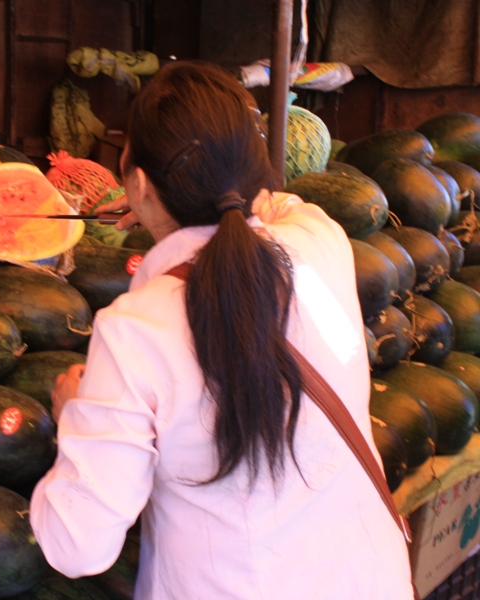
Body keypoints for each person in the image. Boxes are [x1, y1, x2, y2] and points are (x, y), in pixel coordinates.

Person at [28, 61, 414, 599]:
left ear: (135, 182)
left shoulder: (135, 332)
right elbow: (277, 207)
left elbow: (77, 547)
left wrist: (73, 416)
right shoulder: (320, 241)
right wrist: (174, 208)